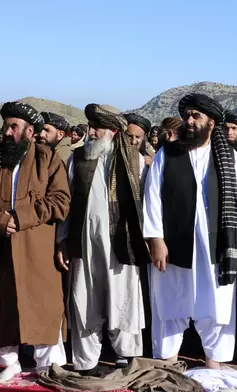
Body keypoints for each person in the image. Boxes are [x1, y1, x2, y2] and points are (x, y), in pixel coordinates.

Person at [143, 94, 237, 369]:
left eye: (195, 116)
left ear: (211, 123)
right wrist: (155, 238)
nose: (189, 121)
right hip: (174, 244)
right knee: (170, 304)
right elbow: (152, 197)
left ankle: (215, 368)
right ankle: (167, 364)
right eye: (187, 115)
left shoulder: (228, 158)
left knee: (217, 305)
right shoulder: (168, 153)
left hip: (216, 246)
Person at [0, 102, 70, 381]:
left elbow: (60, 201)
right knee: (2, 305)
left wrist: (21, 217)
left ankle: (47, 365)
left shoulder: (47, 159)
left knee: (44, 304)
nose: (7, 132)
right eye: (6, 126)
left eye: (14, 126)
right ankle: (8, 363)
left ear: (29, 131)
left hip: (37, 250)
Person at [57, 104, 150, 374]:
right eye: (91, 126)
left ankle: (126, 356)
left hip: (122, 244)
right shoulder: (77, 159)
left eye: (97, 127)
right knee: (84, 298)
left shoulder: (134, 162)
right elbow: (68, 204)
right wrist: (62, 239)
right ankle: (86, 361)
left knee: (123, 298)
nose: (92, 132)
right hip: (85, 245)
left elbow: (146, 203)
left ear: (111, 131)